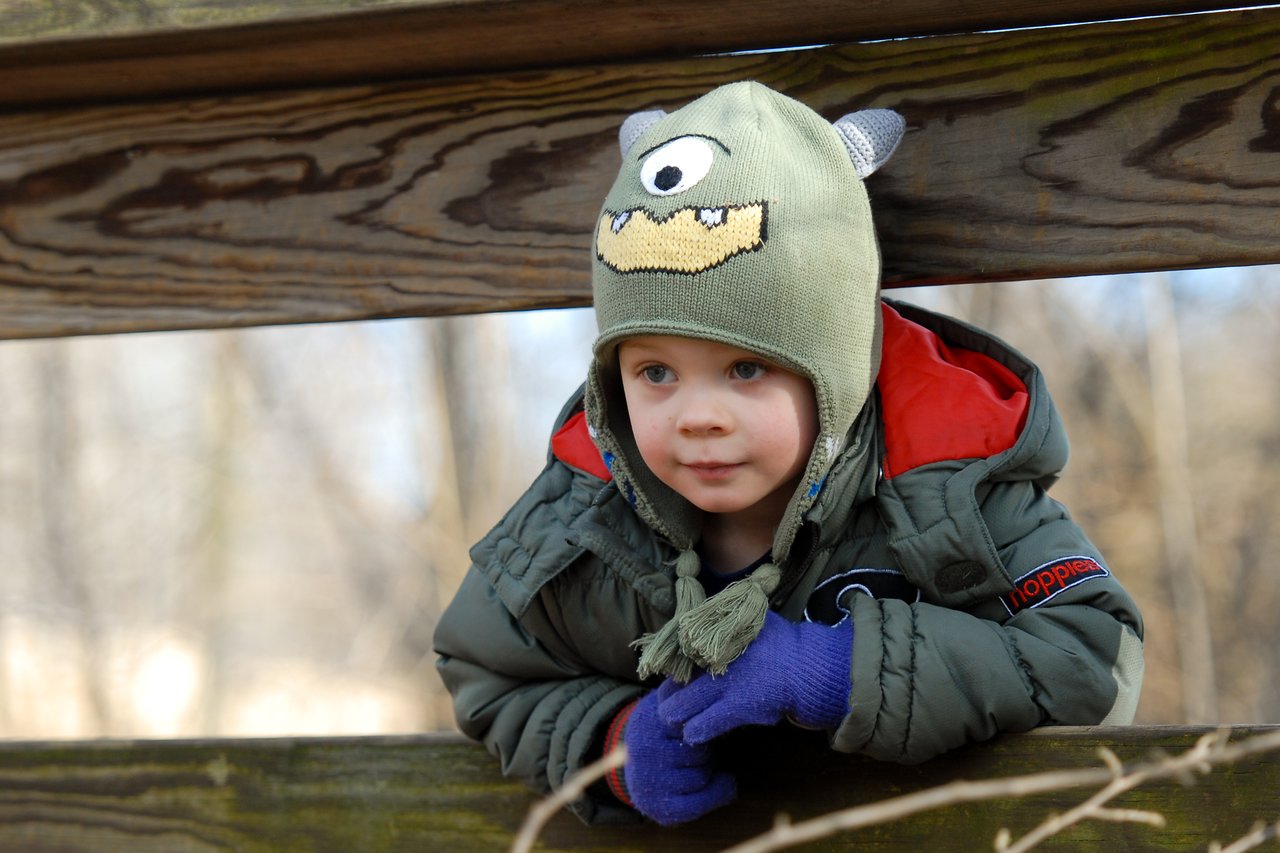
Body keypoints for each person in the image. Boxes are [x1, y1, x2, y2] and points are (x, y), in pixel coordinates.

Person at [433, 81, 1144, 826]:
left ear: (832, 371)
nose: (697, 416)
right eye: (655, 372)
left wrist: (836, 670)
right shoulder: (582, 519)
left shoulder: (948, 488)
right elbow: (485, 671)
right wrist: (612, 746)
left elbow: (1095, 655)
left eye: (747, 368)